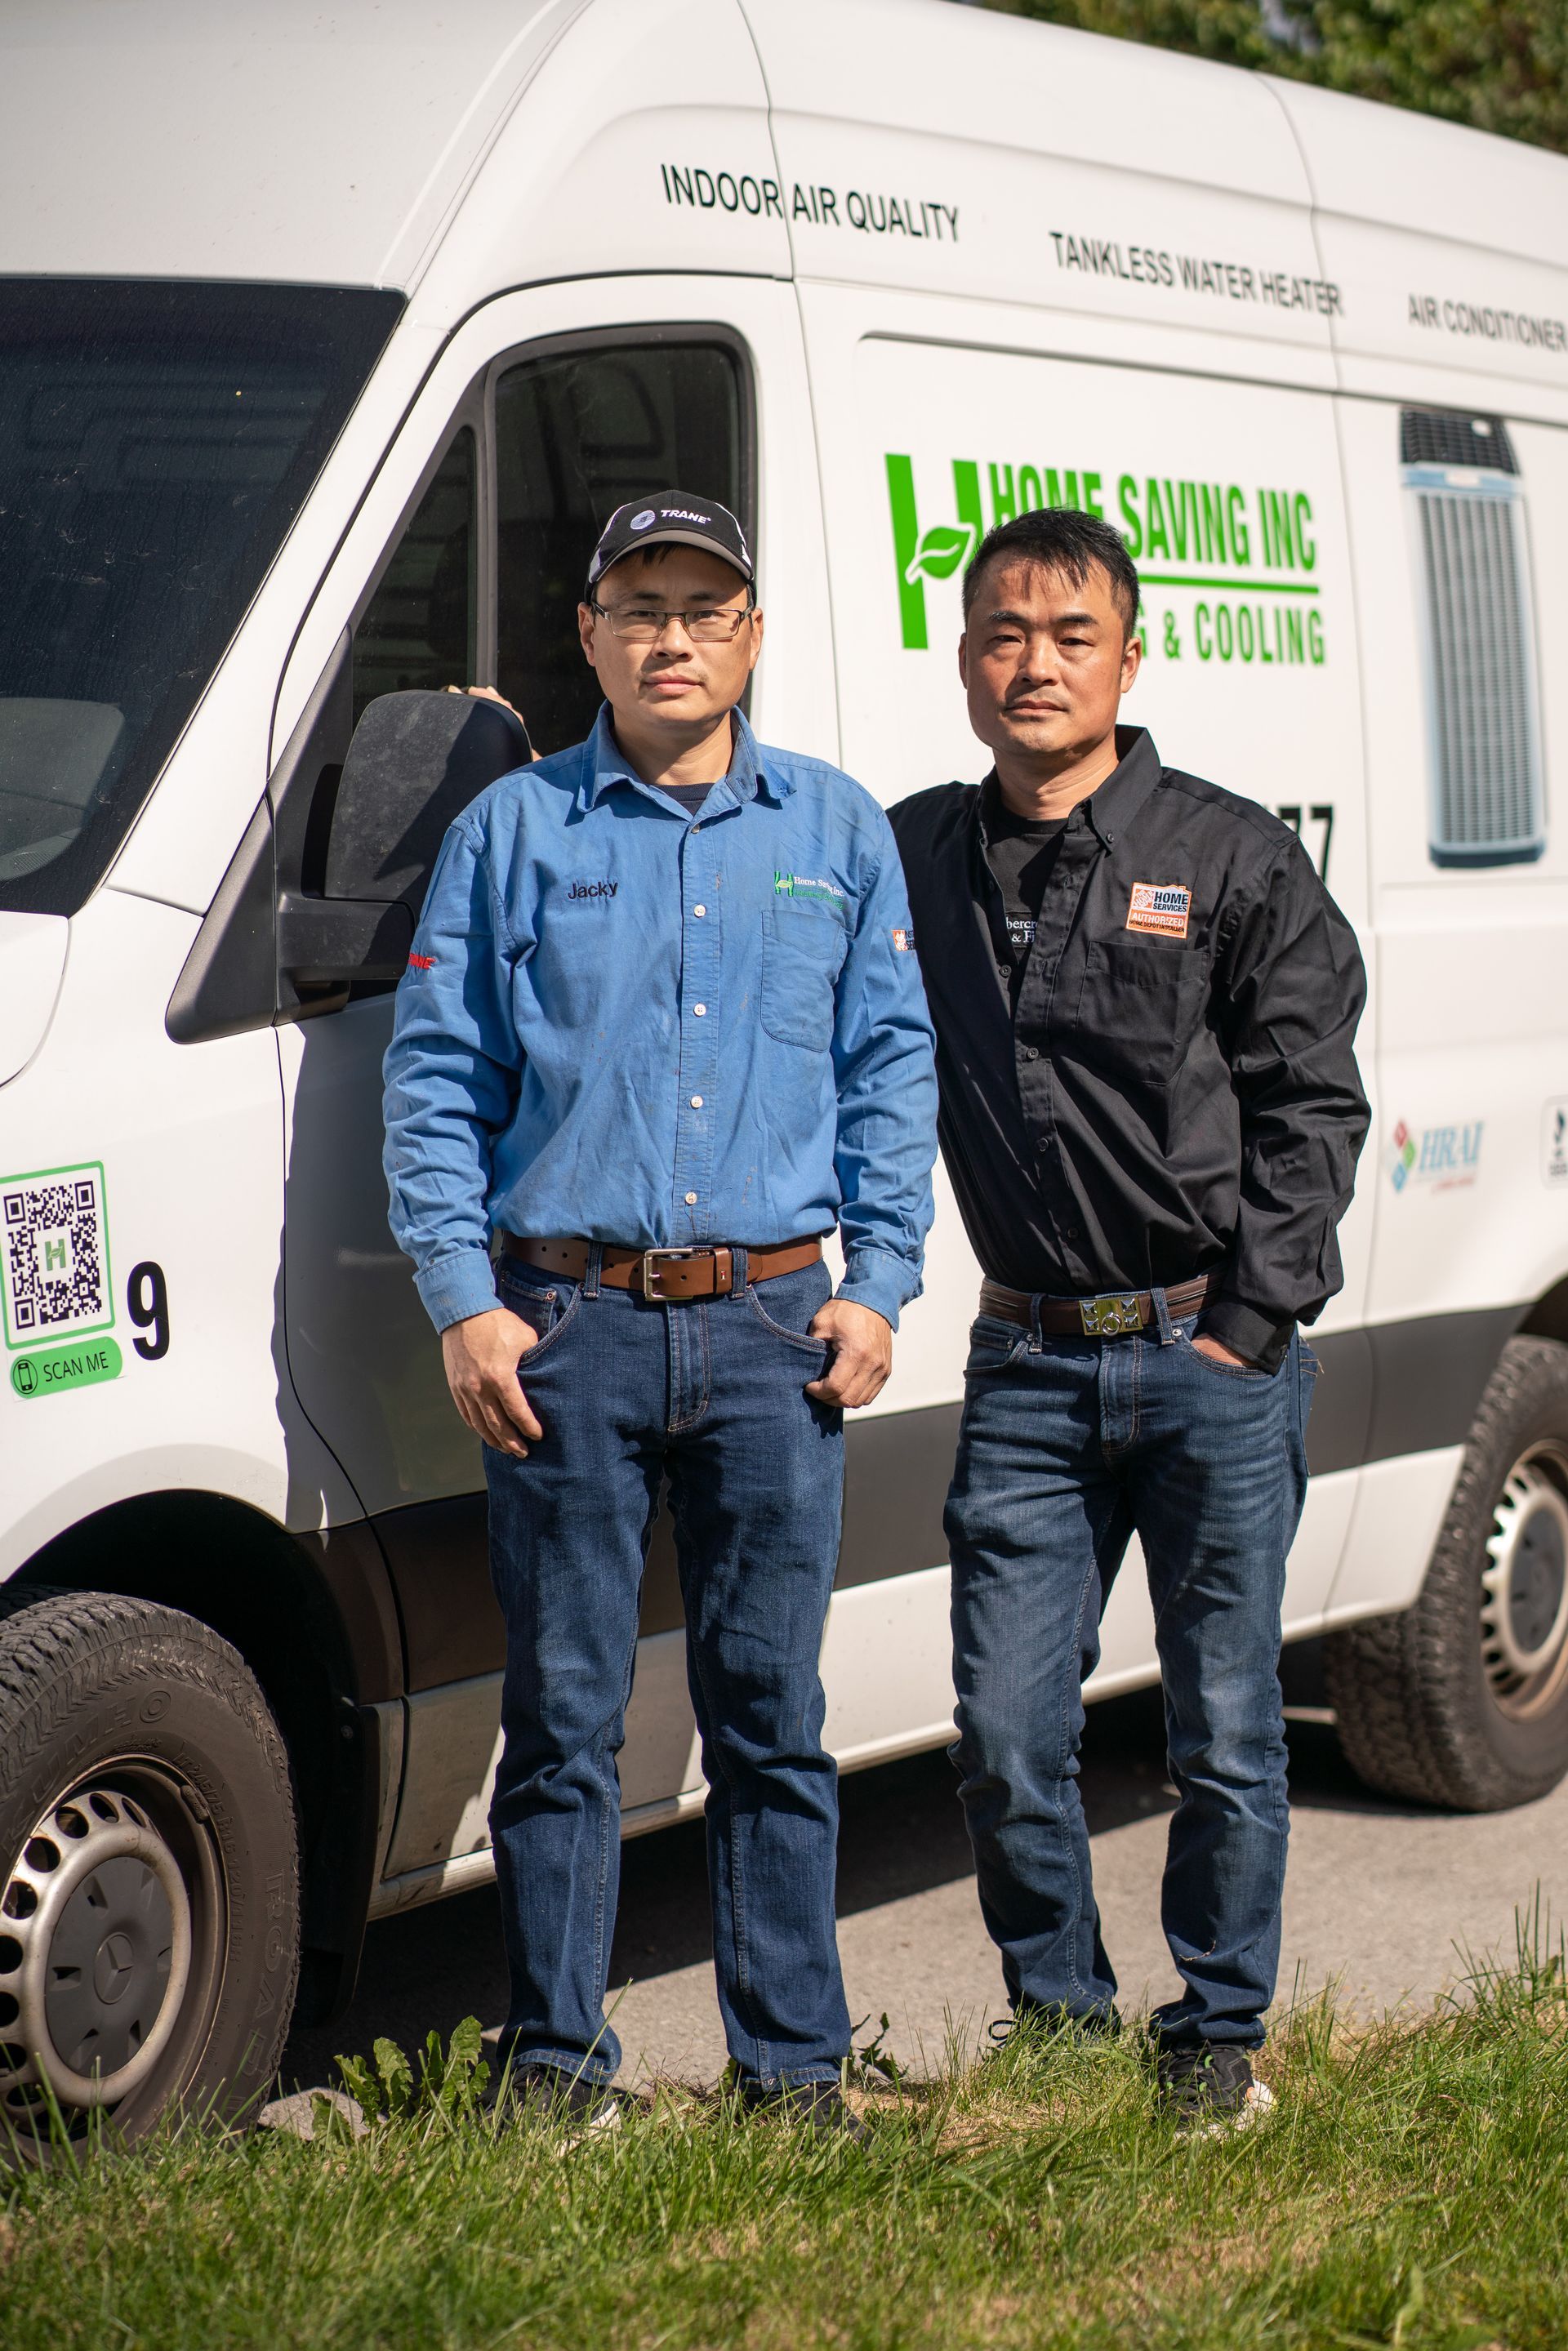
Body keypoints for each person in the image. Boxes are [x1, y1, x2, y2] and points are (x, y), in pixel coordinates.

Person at [383, 492, 938, 2135]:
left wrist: (881, 1282)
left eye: (705, 607)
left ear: (752, 635)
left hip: (776, 1332)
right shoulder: (513, 832)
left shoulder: (836, 829)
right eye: (641, 607)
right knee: (563, 1719)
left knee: (771, 1717)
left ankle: (793, 2073)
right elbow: (434, 1077)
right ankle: (555, 2071)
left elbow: (891, 1067)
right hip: (568, 1329)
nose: (672, 637)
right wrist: (464, 1303)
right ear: (591, 634)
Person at [888, 507, 1369, 2127]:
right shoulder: (914, 854)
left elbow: (1313, 1102)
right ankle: (1066, 2026)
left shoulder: (1230, 857)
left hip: (1205, 1355)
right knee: (1004, 1732)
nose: (1035, 664)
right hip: (1027, 1361)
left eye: (1071, 635)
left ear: (1131, 659)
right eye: (1004, 634)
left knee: (1227, 1727)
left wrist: (1252, 1321)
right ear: (967, 661)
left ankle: (1216, 2035)